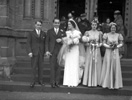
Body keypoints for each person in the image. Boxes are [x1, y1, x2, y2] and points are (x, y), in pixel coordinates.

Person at [59, 19, 82, 87]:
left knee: (74, 64)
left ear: (73, 25)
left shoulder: (78, 32)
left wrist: (73, 42)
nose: (68, 25)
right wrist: (66, 42)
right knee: (68, 64)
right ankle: (67, 81)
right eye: (68, 24)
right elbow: (65, 40)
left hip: (75, 50)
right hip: (68, 50)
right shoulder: (67, 32)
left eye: (69, 24)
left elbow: (78, 41)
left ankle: (74, 82)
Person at [100, 22, 123, 89]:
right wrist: (109, 46)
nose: (113, 29)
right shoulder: (106, 35)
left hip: (115, 51)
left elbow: (121, 43)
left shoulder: (118, 35)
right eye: (112, 28)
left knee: (115, 65)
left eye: (114, 28)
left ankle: (115, 83)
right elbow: (103, 43)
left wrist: (116, 46)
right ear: (110, 28)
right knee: (108, 64)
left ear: (116, 28)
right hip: (108, 51)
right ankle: (106, 83)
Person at [45, 18, 66, 88]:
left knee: (58, 68)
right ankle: (52, 82)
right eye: (55, 23)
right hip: (52, 52)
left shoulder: (62, 31)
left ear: (59, 24)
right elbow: (46, 42)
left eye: (58, 23)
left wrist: (61, 40)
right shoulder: (49, 31)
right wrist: (47, 51)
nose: (56, 24)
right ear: (53, 23)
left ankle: (57, 82)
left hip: (60, 51)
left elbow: (65, 42)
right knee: (52, 67)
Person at [82, 20, 102, 87]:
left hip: (96, 50)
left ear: (97, 25)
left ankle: (97, 81)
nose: (94, 26)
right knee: (89, 63)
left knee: (97, 64)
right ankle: (88, 81)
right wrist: (89, 44)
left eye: (95, 25)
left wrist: (97, 45)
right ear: (91, 25)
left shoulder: (99, 33)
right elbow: (85, 42)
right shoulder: (87, 32)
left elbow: (101, 42)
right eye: (93, 25)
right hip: (90, 50)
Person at [27, 20, 46, 88]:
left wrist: (45, 51)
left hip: (41, 52)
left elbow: (45, 43)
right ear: (35, 25)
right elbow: (28, 43)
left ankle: (40, 81)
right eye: (38, 24)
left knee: (41, 67)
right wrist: (29, 52)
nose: (39, 26)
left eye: (40, 25)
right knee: (33, 67)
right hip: (34, 53)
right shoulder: (31, 33)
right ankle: (32, 81)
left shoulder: (44, 33)